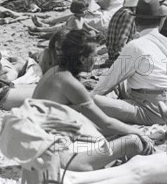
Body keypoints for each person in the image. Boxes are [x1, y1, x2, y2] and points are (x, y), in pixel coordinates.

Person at [32, 30, 154, 171]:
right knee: (134, 142)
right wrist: (139, 133)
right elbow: (106, 123)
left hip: (38, 151)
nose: (96, 59)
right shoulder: (69, 83)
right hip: (56, 158)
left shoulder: (54, 72)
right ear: (83, 59)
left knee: (116, 135)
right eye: (94, 55)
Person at [91, 0, 167, 125]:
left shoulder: (135, 46)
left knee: (90, 101)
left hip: (148, 110)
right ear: (160, 22)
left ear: (135, 22)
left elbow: (109, 80)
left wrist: (92, 95)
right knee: (122, 82)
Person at [103, 0, 145, 67]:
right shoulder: (129, 15)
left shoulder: (121, 11)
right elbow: (122, 42)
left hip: (113, 54)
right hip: (118, 57)